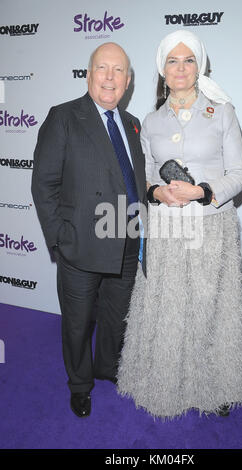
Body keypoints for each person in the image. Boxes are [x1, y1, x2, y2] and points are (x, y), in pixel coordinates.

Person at [117, 30, 242, 419]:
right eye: (172, 61)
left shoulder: (222, 112)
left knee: (213, 309)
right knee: (168, 308)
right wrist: (156, 192)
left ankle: (219, 385)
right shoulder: (150, 121)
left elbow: (240, 174)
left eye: (188, 60)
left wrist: (203, 191)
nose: (180, 68)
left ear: (199, 66)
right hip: (167, 229)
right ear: (162, 69)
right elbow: (141, 177)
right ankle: (161, 382)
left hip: (212, 225)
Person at [31, 42, 147, 418]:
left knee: (115, 318)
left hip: (127, 242)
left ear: (128, 81)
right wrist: (60, 239)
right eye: (102, 68)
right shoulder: (64, 116)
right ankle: (80, 385)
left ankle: (107, 368)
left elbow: (136, 180)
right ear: (88, 74)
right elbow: (43, 184)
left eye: (118, 71)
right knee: (78, 324)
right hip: (81, 246)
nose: (110, 78)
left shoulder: (132, 124)